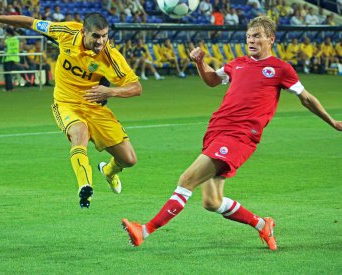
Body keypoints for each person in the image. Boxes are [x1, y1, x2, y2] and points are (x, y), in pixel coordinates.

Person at [122, 16, 342, 250]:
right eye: (248, 36)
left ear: (271, 39)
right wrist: (199, 62)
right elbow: (212, 80)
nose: (251, 40)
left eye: (257, 36)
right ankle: (262, 224)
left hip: (240, 136)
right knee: (211, 201)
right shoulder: (236, 64)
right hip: (217, 130)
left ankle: (144, 230)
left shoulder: (280, 69)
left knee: (187, 180)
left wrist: (332, 121)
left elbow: (306, 98)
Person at [0, 0, 142, 209]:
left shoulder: (110, 57)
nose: (101, 41)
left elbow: (136, 87)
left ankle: (109, 171)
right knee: (79, 134)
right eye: (96, 36)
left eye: (105, 36)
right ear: (83, 32)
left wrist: (110, 91)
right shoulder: (66, 32)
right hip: (66, 103)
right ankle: (85, 186)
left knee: (129, 160)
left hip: (94, 107)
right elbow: (31, 23)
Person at [2, 27, 20, 91]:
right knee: (10, 74)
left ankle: (8, 88)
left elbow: (2, 44)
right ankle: (10, 87)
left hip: (7, 57)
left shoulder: (7, 40)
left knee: (7, 74)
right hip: (14, 57)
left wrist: (4, 37)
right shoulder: (16, 39)